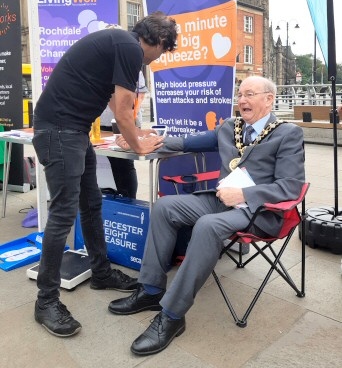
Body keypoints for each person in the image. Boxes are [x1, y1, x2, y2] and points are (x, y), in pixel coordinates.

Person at [108, 76, 305, 356]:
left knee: (207, 226)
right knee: (165, 207)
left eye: (249, 94)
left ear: (269, 99)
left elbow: (291, 186)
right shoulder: (229, 127)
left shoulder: (288, 133)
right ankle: (151, 290)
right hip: (221, 202)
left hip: (259, 212)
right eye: (240, 94)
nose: (242, 100)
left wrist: (246, 195)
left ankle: (172, 315)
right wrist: (138, 141)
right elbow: (185, 143)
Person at [32, 12, 178, 337]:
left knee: (92, 201)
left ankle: (101, 272)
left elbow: (117, 105)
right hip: (60, 131)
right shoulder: (130, 48)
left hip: (73, 130)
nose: (156, 60)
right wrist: (141, 147)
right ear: (156, 40)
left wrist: (135, 134)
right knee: (62, 214)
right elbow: (123, 107)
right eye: (163, 50)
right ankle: (46, 301)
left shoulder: (120, 44)